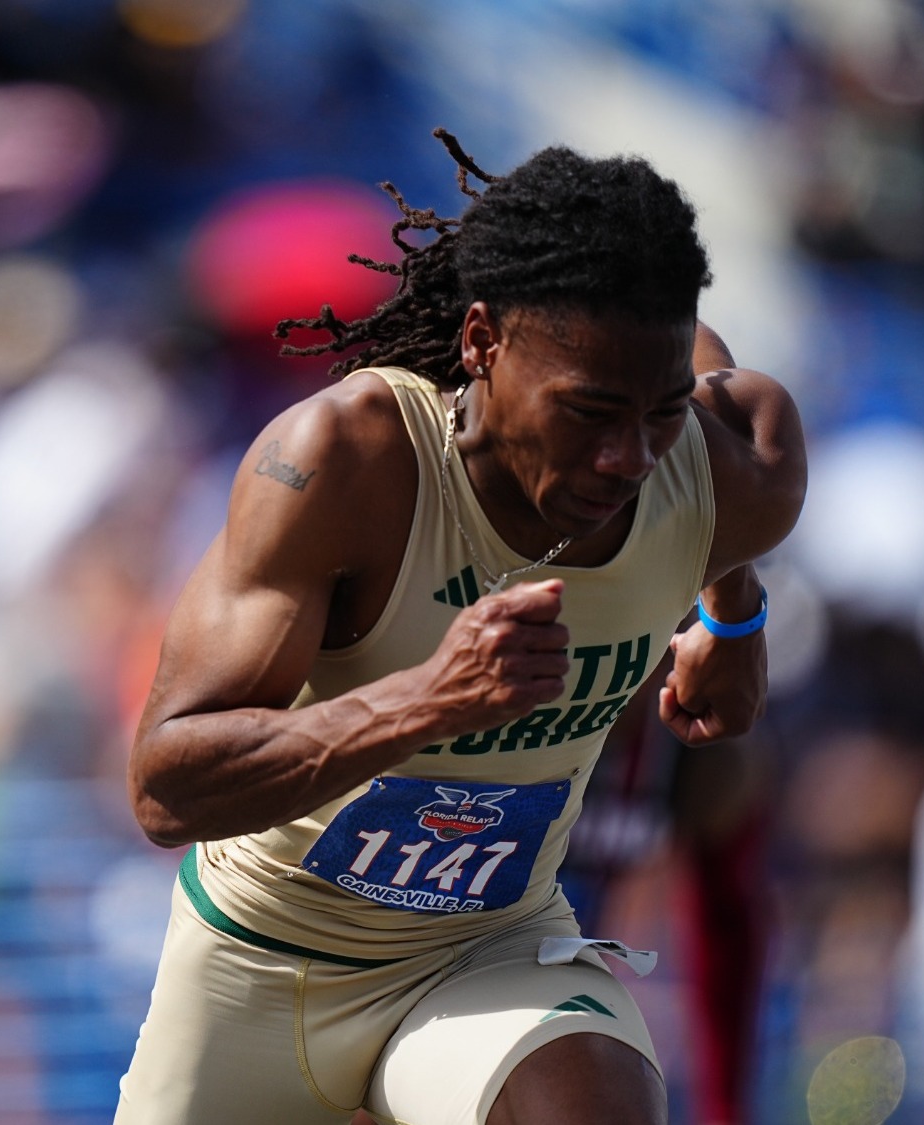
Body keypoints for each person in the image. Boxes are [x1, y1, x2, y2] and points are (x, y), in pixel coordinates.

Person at [119, 129, 807, 1125]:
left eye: (659, 414)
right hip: (258, 961)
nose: (627, 459)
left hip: (485, 953)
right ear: (482, 343)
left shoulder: (730, 470)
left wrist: (730, 613)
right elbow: (165, 787)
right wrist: (427, 699)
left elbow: (706, 412)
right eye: (588, 412)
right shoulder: (347, 462)